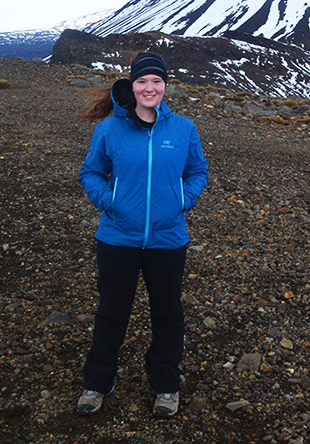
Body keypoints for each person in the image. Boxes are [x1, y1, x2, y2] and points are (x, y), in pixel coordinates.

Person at [76, 52, 208, 418]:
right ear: (131, 86)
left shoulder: (183, 129)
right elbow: (90, 172)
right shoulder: (109, 130)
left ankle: (166, 386)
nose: (149, 88)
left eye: (156, 81)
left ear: (165, 86)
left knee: (167, 313)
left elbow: (198, 170)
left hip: (168, 239)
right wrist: (110, 201)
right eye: (142, 81)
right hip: (117, 237)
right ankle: (97, 382)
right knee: (111, 313)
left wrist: (184, 199)